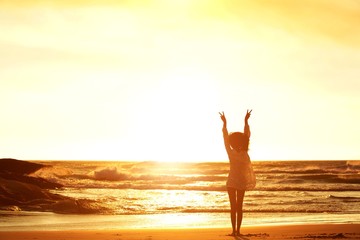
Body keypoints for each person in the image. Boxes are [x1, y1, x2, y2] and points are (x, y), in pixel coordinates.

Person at [219, 110, 256, 236]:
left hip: (235, 182)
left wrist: (245, 121)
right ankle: (236, 231)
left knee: (236, 207)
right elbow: (228, 138)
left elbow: (245, 136)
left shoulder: (234, 153)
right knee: (236, 207)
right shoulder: (241, 153)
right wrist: (225, 124)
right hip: (235, 181)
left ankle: (236, 231)